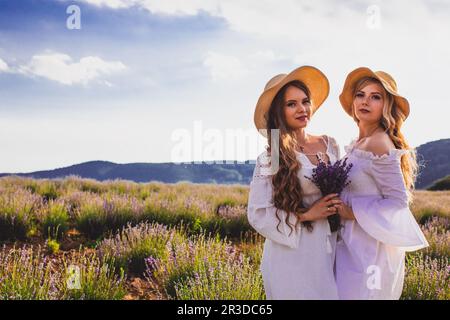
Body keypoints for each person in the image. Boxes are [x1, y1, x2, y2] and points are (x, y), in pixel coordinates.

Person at [334, 67, 429, 299]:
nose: (365, 101)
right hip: (349, 244)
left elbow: (398, 202)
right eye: (360, 94)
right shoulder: (359, 143)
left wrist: (352, 212)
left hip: (369, 251)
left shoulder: (379, 143)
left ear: (386, 106)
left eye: (375, 97)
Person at [247, 65, 341, 299]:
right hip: (291, 253)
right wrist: (308, 214)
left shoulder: (330, 144)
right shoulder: (272, 157)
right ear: (280, 111)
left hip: (331, 246)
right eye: (291, 104)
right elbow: (258, 213)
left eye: (305, 101)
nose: (302, 109)